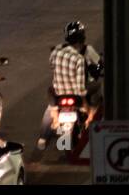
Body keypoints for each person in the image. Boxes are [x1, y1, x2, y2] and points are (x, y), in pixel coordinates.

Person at [38, 21, 101, 149]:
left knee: (50, 108)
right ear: (82, 36)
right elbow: (98, 64)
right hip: (80, 90)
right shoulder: (87, 50)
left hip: (60, 92)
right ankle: (91, 118)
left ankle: (43, 138)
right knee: (97, 90)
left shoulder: (58, 49)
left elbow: (51, 65)